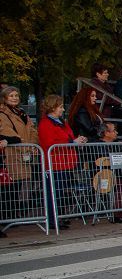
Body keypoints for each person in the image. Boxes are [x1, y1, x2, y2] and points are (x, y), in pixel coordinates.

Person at [37, 94, 87, 229]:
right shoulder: (45, 123)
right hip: (55, 163)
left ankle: (58, 216)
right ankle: (53, 219)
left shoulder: (61, 122)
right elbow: (49, 142)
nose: (62, 110)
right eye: (60, 107)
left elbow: (67, 137)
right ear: (52, 107)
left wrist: (77, 140)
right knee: (54, 192)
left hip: (65, 162)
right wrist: (72, 141)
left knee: (60, 192)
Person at [0, 86, 40, 224]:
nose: (15, 98)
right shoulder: (2, 113)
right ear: (5, 98)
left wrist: (33, 144)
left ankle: (17, 215)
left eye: (16, 95)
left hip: (27, 151)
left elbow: (32, 129)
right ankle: (9, 217)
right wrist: (21, 142)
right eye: (11, 95)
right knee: (12, 186)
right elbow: (6, 130)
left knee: (24, 184)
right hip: (13, 153)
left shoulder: (22, 113)